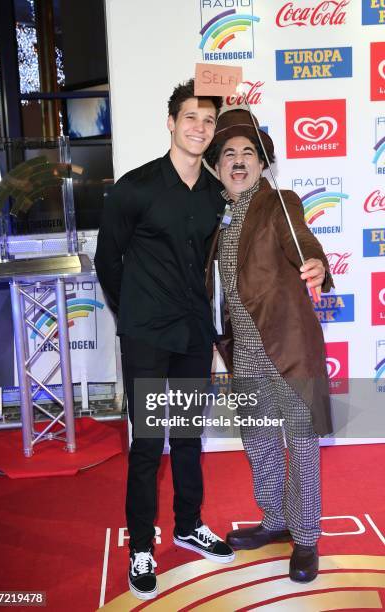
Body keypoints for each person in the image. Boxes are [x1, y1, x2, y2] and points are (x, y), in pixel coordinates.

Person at [94, 79, 235, 601]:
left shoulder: (218, 194)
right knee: (149, 444)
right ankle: (140, 547)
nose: (200, 128)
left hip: (195, 333)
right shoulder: (135, 188)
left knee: (190, 439)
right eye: (190, 118)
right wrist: (133, 311)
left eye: (208, 121)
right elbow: (107, 260)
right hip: (148, 335)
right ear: (171, 122)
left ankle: (188, 524)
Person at [204, 109, 334, 583]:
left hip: (288, 343)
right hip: (242, 350)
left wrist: (316, 264)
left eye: (248, 153)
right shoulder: (216, 218)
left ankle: (305, 537)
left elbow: (301, 240)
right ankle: (276, 520)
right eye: (229, 154)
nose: (239, 162)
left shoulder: (279, 202)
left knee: (300, 444)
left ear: (262, 163)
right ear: (216, 165)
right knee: (259, 442)